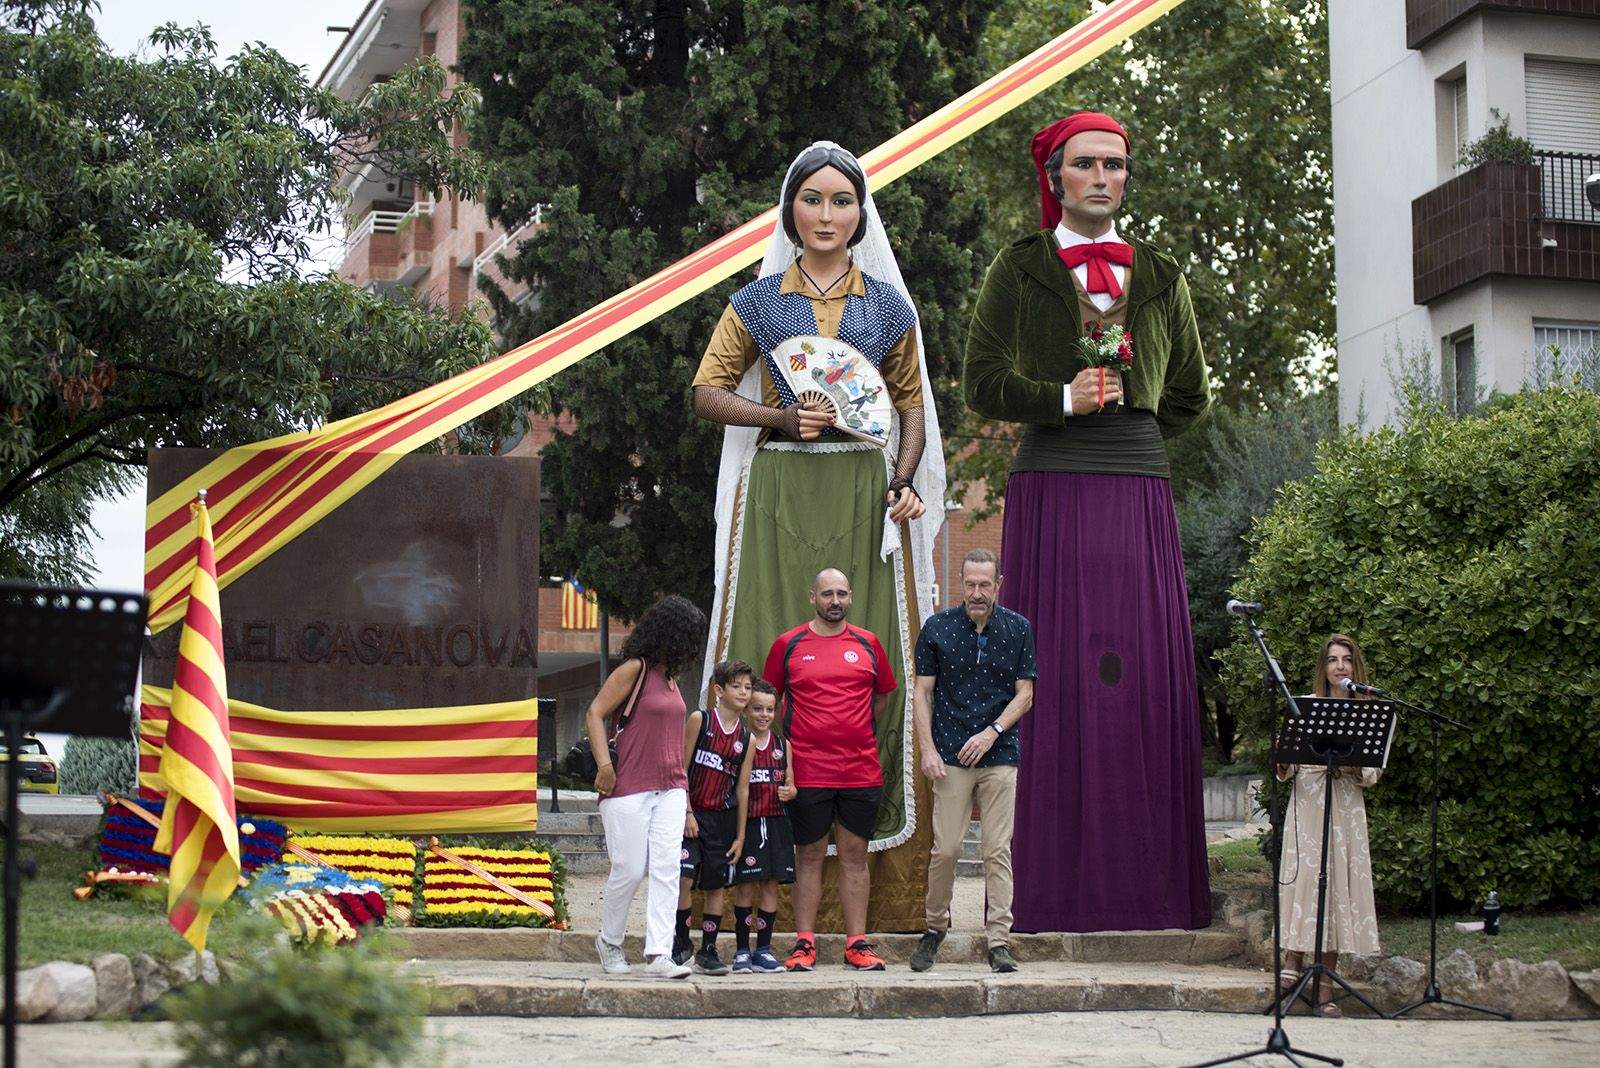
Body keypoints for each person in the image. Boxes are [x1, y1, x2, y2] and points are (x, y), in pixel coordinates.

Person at [961, 110, 1213, 933]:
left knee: (1141, 679)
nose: (1104, 177)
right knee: (1055, 682)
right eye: (1087, 165)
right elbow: (983, 383)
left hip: (1136, 489)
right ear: (1056, 177)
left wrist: (1129, 422)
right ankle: (1052, 894)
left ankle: (1153, 894)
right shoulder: (1018, 266)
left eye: (1117, 165)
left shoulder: (1165, 275)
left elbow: (1190, 398)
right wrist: (1062, 400)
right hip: (1053, 486)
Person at [692, 141, 947, 932]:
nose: (828, 215)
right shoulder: (759, 300)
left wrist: (902, 483)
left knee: (877, 661)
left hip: (864, 490)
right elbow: (705, 391)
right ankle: (742, 888)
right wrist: (779, 416)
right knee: (767, 643)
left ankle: (879, 903)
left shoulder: (889, 308)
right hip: (779, 487)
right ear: (790, 210)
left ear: (861, 212)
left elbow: (909, 407)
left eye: (843, 201)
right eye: (814, 200)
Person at [909, 549, 1036, 973]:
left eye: (985, 584)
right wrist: (926, 750)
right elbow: (922, 694)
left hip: (999, 752)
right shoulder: (937, 629)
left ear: (999, 583)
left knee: (996, 849)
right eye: (970, 584)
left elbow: (1025, 694)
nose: (977, 592)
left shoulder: (1018, 628)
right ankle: (934, 927)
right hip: (949, 754)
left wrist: (992, 732)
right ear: (961, 582)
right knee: (945, 849)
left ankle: (999, 940)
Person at [764, 568, 897, 971]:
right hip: (806, 771)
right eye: (827, 594)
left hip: (860, 770)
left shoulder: (869, 643)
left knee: (855, 856)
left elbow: (881, 700)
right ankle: (805, 943)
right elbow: (769, 701)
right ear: (812, 597)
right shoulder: (788, 644)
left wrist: (852, 733)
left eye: (841, 593)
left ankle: (856, 943)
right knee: (809, 855)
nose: (834, 600)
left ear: (851, 597)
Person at [587, 594, 707, 979]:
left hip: (671, 787)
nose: (691, 644)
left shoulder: (672, 680)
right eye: (688, 635)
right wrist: (604, 766)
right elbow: (594, 712)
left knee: (668, 868)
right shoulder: (635, 670)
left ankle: (659, 955)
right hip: (628, 787)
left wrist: (685, 799)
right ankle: (609, 940)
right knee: (630, 867)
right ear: (670, 632)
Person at [1276, 633, 1383, 1018]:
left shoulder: (1368, 711)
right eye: (1333, 659)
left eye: (1347, 659)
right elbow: (1286, 769)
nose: (1340, 665)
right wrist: (1283, 757)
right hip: (1308, 802)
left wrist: (1352, 762)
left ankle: (1324, 985)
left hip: (1345, 809)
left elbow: (1372, 773)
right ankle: (1292, 958)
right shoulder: (1304, 706)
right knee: (1306, 877)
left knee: (1337, 885)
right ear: (1323, 667)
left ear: (1356, 667)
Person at [671, 659, 754, 974]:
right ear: (719, 690)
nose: (743, 692)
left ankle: (709, 949)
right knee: (684, 877)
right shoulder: (700, 720)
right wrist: (686, 811)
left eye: (747, 687)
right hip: (692, 814)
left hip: (723, 819)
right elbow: (681, 768)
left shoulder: (746, 739)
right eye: (736, 686)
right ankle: (681, 942)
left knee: (717, 886)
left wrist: (741, 835)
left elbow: (743, 788)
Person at [729, 678, 797, 973]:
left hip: (778, 825)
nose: (764, 715)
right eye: (757, 708)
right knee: (745, 887)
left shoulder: (784, 745)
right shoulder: (740, 742)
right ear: (747, 711)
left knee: (771, 886)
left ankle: (764, 950)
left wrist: (791, 791)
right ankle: (742, 950)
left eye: (769, 709)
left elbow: (791, 783)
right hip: (749, 823)